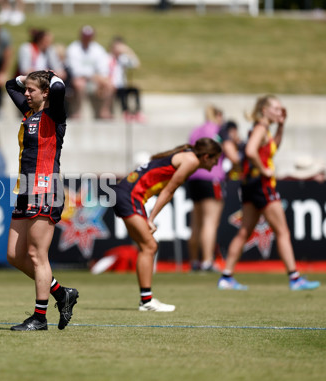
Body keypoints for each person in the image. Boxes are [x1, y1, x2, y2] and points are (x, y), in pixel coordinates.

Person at [218, 95, 321, 291]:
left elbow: (272, 148)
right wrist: (263, 169)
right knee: (282, 231)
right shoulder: (260, 128)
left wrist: (281, 126)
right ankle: (294, 278)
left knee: (244, 232)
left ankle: (226, 277)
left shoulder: (262, 129)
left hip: (251, 185)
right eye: (275, 108)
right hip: (262, 185)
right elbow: (250, 151)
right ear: (264, 110)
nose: (279, 111)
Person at [5, 70, 79, 331]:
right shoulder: (29, 113)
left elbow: (58, 89)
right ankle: (61, 294)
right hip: (25, 190)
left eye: (32, 90)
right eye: (26, 89)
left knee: (37, 255)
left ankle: (39, 318)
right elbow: (8, 85)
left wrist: (50, 75)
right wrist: (26, 79)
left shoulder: (54, 113)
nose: (26, 93)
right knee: (15, 255)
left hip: (45, 189)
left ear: (45, 92)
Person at [112, 138, 222, 311]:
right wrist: (151, 218)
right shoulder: (191, 160)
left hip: (126, 194)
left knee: (146, 246)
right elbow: (169, 191)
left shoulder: (186, 156)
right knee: (149, 246)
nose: (216, 164)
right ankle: (146, 301)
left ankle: (146, 300)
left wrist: (149, 217)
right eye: (216, 159)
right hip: (129, 195)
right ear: (207, 156)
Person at [186, 106, 240, 272]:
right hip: (212, 178)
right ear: (218, 115)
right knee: (210, 222)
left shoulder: (195, 132)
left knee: (196, 222)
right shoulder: (219, 130)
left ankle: (194, 261)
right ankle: (207, 261)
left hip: (193, 177)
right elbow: (233, 156)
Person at [65, 25, 113, 120]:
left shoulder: (98, 49)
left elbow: (103, 67)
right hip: (80, 79)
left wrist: (100, 78)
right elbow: (76, 70)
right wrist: (94, 76)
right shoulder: (73, 48)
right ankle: (78, 111)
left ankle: (104, 111)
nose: (87, 38)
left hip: (94, 79)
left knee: (109, 84)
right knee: (79, 84)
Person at [108, 36, 143, 122]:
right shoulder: (107, 58)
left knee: (135, 90)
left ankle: (137, 112)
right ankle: (125, 112)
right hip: (111, 84)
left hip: (122, 84)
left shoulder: (123, 58)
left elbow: (136, 64)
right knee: (121, 91)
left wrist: (128, 51)